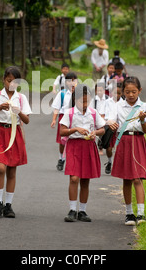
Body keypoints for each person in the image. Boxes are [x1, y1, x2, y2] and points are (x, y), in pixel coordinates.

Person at [0, 66, 32, 219]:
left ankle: (8, 205)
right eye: (8, 80)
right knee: (0, 168)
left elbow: (27, 120)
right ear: (3, 80)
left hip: (14, 133)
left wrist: (18, 112)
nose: (11, 84)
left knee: (11, 170)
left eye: (15, 82)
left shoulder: (21, 98)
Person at [107, 77, 146, 226]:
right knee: (126, 179)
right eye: (127, 92)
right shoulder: (117, 106)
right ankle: (129, 213)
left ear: (139, 91)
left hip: (138, 141)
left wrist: (142, 119)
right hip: (124, 142)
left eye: (134, 92)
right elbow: (110, 121)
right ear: (122, 92)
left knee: (137, 178)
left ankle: (141, 213)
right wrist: (111, 123)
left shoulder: (145, 106)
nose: (131, 95)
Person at [59, 84, 106, 222]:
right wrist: (75, 129)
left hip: (89, 146)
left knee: (85, 179)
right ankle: (72, 209)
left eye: (87, 101)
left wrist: (95, 133)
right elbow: (62, 131)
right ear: (75, 99)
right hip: (74, 146)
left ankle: (83, 211)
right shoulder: (70, 113)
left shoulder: (93, 112)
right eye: (82, 101)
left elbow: (102, 128)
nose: (85, 104)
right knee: (74, 178)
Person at [51, 72, 78, 171]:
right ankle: (61, 158)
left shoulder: (79, 93)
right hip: (64, 117)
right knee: (62, 140)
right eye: (69, 81)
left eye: (74, 80)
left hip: (75, 118)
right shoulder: (62, 93)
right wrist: (54, 119)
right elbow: (57, 108)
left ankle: (72, 159)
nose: (72, 83)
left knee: (74, 139)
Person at [102, 82, 123, 174]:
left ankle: (119, 166)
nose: (117, 95)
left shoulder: (124, 103)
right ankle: (110, 162)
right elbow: (102, 115)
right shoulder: (107, 102)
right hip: (109, 128)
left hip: (120, 129)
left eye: (119, 93)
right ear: (111, 92)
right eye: (115, 93)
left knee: (120, 149)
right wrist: (108, 122)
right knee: (109, 148)